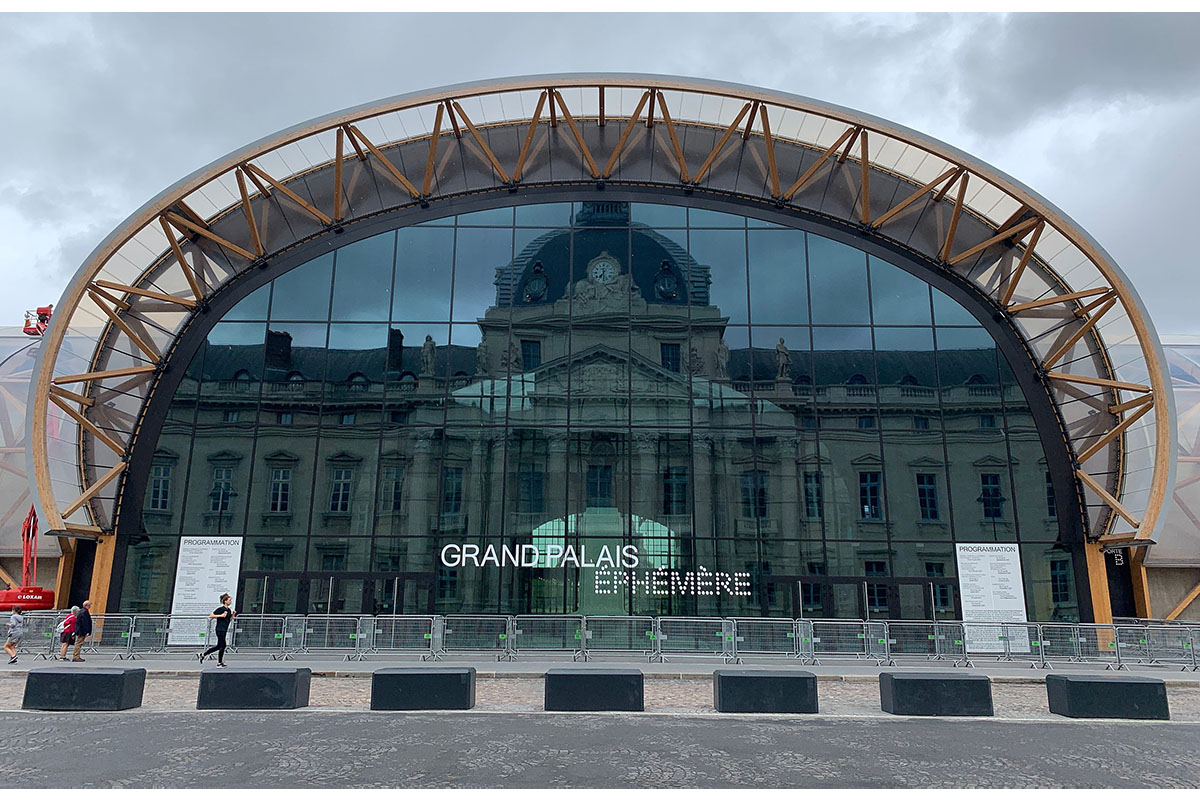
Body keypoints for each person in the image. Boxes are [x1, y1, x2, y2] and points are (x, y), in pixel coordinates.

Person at [197, 593, 236, 667]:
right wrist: (220, 615)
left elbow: (229, 619)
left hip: (224, 629)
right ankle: (219, 663)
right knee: (223, 645)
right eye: (229, 600)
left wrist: (233, 615)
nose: (230, 601)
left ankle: (203, 655)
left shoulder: (229, 610)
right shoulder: (221, 609)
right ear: (225, 601)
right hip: (220, 629)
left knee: (219, 646)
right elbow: (211, 615)